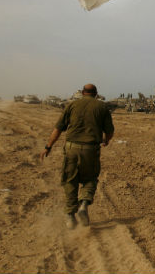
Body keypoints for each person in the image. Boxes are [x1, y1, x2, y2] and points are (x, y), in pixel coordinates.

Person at [40, 83, 114, 229]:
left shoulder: (72, 105)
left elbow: (58, 129)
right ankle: (84, 205)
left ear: (82, 92)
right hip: (91, 150)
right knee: (91, 178)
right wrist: (106, 140)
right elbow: (110, 131)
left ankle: (70, 216)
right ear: (96, 94)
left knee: (70, 180)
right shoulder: (102, 107)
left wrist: (48, 147)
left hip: (71, 149)